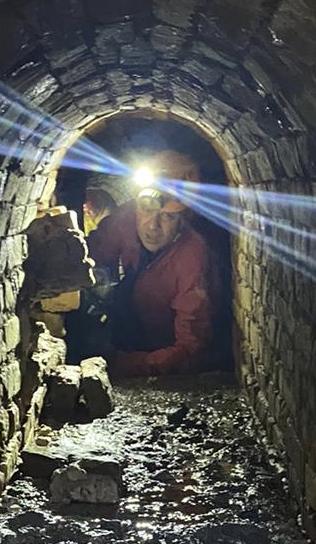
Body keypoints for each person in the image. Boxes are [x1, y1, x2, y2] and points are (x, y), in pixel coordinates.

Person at [84, 151, 218, 379]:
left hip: (158, 348)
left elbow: (191, 350)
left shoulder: (192, 258)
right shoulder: (126, 218)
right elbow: (88, 254)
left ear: (184, 219)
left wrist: (123, 365)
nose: (152, 226)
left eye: (168, 217)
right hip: (129, 324)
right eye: (147, 209)